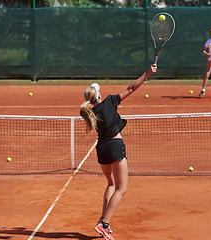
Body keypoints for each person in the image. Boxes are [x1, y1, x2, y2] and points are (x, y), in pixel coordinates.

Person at [80, 64, 157, 240]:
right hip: (115, 147)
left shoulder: (90, 113)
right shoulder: (110, 101)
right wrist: (148, 73)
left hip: (101, 149)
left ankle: (103, 219)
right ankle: (104, 224)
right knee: (122, 189)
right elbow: (131, 88)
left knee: (111, 184)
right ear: (98, 95)